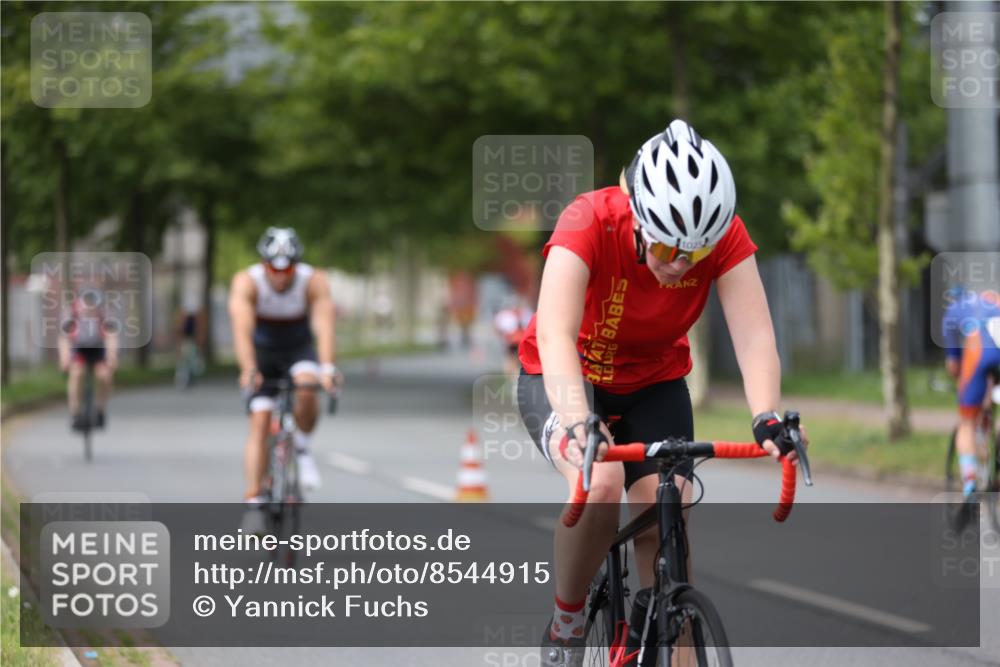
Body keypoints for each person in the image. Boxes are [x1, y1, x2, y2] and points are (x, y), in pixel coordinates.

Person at [515, 119, 805, 666]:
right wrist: (578, 419)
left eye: (694, 255)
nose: (679, 265)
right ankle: (568, 620)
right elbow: (553, 332)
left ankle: (669, 635)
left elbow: (755, 333)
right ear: (639, 219)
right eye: (668, 246)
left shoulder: (721, 237)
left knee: (665, 511)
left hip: (655, 383)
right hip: (567, 377)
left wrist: (767, 414)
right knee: (599, 483)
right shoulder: (588, 220)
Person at [229, 227, 340, 534]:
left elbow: (324, 325)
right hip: (262, 352)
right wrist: (249, 368)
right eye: (273, 269)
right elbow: (241, 329)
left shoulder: (313, 280)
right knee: (260, 422)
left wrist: (328, 367)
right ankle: (253, 503)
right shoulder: (247, 282)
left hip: (297, 348)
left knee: (308, 383)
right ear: (264, 265)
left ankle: (302, 448)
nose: (280, 276)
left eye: (287, 269)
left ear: (296, 265)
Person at [942, 286, 1000, 499]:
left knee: (966, 422)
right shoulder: (994, 300)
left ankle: (970, 484)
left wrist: (961, 383)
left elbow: (953, 365)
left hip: (979, 355)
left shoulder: (953, 311)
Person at [58, 285, 118, 431]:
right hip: (80, 349)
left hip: (98, 348)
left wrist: (112, 356)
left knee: (104, 376)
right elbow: (64, 338)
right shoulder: (71, 314)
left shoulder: (104, 314)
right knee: (77, 374)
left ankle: (100, 411)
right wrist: (64, 358)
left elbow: (111, 336)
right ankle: (76, 414)